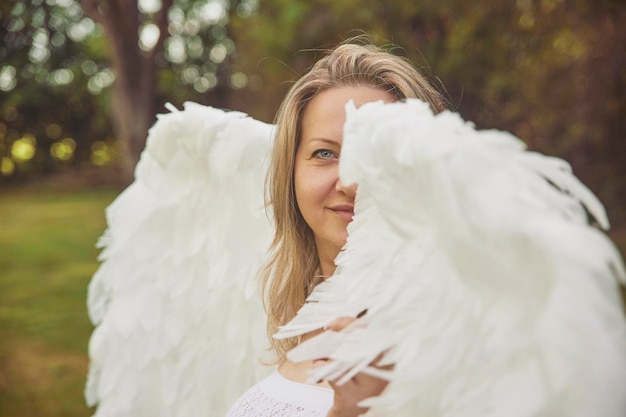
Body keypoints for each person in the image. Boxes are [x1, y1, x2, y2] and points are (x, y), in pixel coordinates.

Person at [226, 40, 446, 417]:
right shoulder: (280, 332)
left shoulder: (456, 344)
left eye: (377, 155)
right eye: (325, 153)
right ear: (291, 174)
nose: (351, 183)